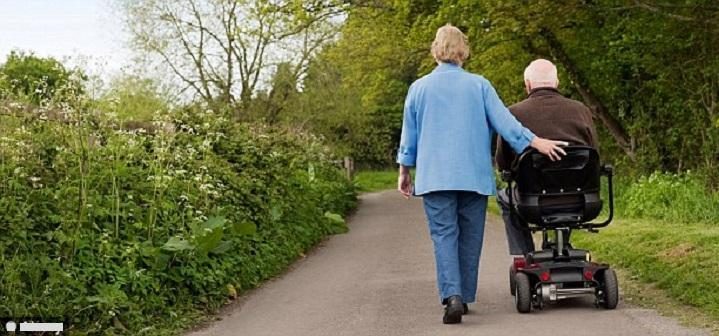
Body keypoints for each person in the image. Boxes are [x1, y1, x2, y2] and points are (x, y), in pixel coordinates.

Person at [396, 25, 568, 324]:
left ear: (436, 50)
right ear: (463, 50)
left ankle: (453, 297)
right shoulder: (479, 86)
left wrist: (404, 170)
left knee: (443, 236)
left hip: (435, 177)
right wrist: (537, 142)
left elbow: (409, 137)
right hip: (472, 176)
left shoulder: (418, 88)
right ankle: (464, 295)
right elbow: (507, 123)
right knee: (470, 236)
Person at [495, 59, 599, 257]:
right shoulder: (581, 110)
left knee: (504, 197)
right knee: (569, 184)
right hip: (581, 199)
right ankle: (564, 240)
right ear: (557, 83)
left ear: (528, 84)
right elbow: (594, 154)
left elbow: (503, 163)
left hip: (532, 201)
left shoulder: (514, 114)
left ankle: (523, 254)